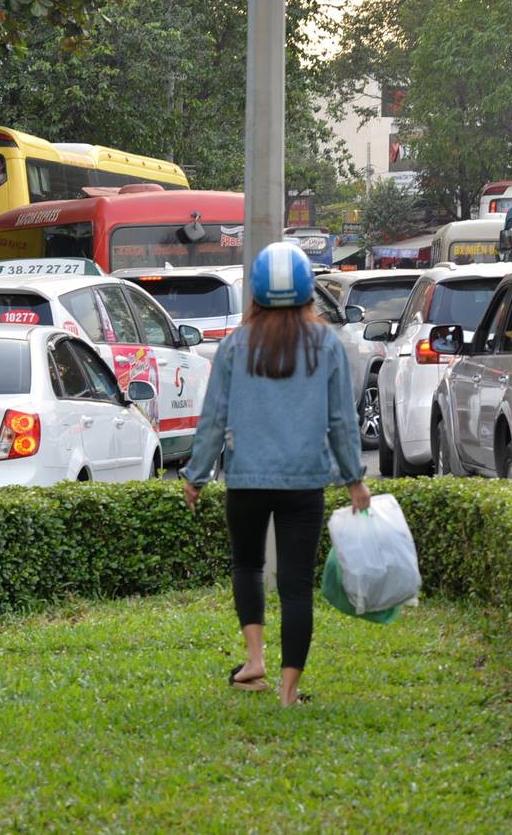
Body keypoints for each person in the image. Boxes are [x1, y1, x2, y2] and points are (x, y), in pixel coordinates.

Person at [183, 241, 370, 707]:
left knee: (246, 565)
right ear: (309, 291)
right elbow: (341, 420)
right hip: (305, 482)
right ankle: (289, 692)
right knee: (294, 584)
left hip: (245, 479)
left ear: (256, 294)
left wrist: (196, 475)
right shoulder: (326, 343)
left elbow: (214, 416)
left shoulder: (233, 344)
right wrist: (354, 479)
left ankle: (254, 661)